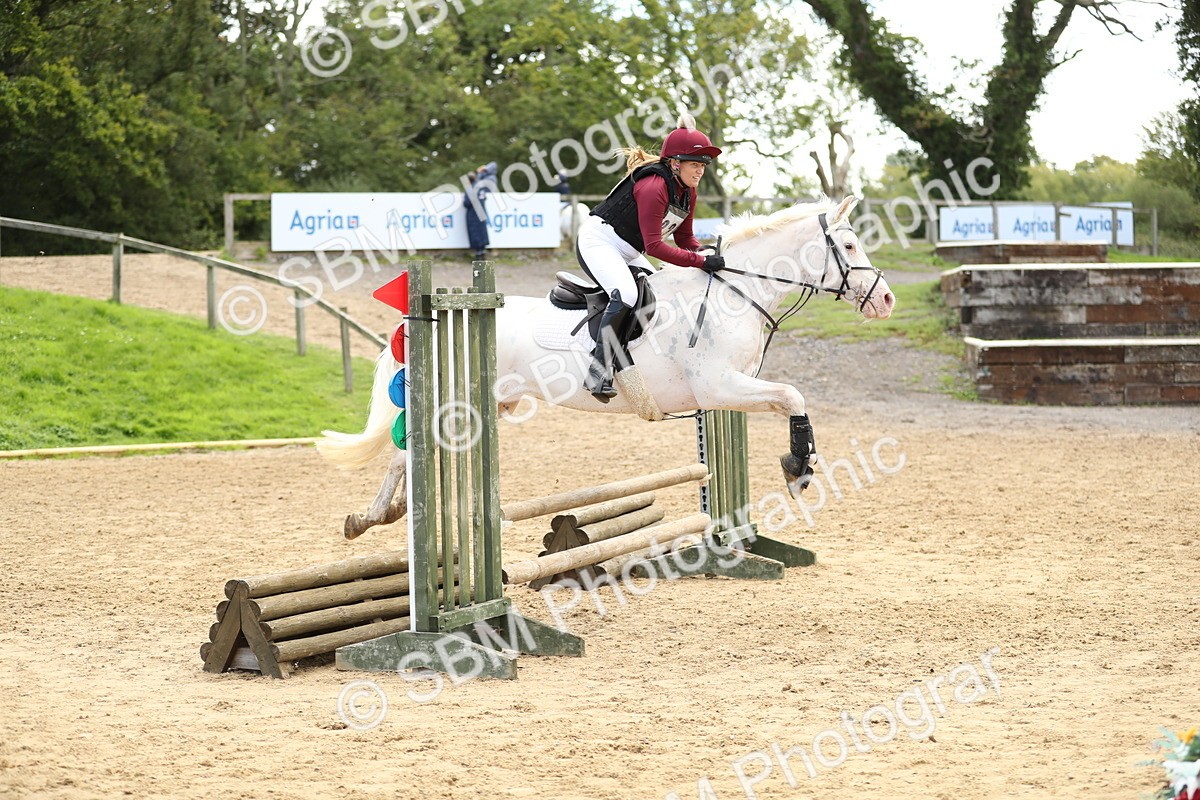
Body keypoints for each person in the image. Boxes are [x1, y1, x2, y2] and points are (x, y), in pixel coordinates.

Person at [576, 114, 725, 401]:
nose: (700, 171)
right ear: (675, 163)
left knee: (658, 291)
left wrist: (707, 252)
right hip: (599, 241)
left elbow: (684, 240)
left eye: (703, 166)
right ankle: (597, 371)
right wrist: (702, 263)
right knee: (628, 295)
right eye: (695, 164)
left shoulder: (687, 193)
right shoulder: (654, 186)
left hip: (629, 249)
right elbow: (655, 247)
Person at [464, 161, 498, 260]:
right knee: (482, 232)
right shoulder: (483, 184)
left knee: (475, 232)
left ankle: (479, 254)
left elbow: (466, 202)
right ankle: (482, 253)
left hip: (473, 213)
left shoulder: (472, 188)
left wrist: (484, 169)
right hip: (482, 211)